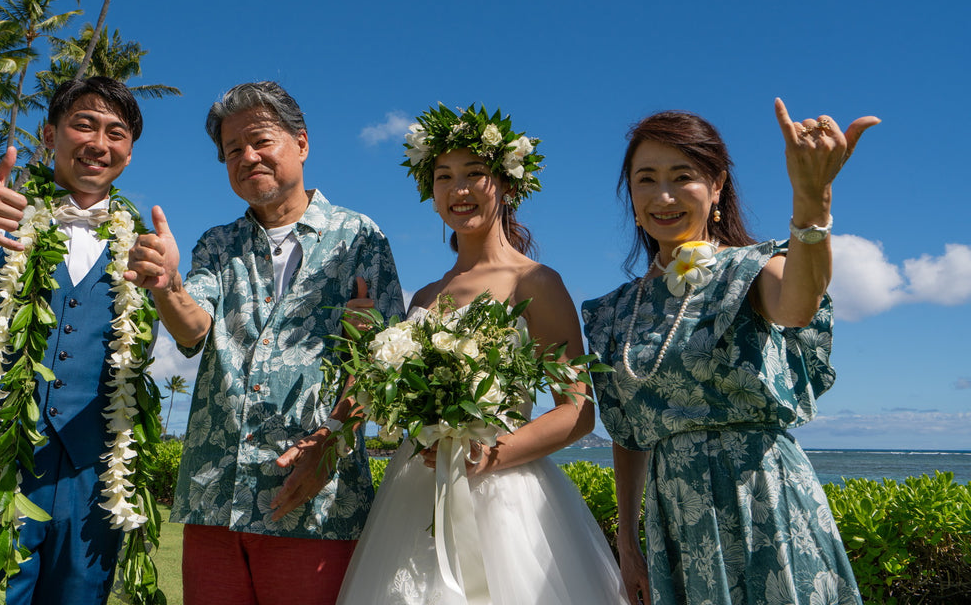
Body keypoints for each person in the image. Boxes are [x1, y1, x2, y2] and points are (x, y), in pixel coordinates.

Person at [582, 101, 878, 605]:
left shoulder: (752, 268)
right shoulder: (614, 312)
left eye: (683, 176)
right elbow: (629, 437)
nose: (665, 195)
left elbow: (799, 304)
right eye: (646, 179)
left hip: (762, 500)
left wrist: (813, 199)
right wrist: (628, 546)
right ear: (630, 194)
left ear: (716, 186)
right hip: (673, 516)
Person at [124, 81, 405, 605]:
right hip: (215, 500)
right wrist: (168, 286)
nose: (247, 157)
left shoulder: (360, 238)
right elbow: (193, 330)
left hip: (315, 504)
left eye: (261, 141)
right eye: (233, 151)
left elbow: (385, 368)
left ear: (301, 143)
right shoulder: (217, 243)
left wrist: (332, 440)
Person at [336, 105, 627, 605]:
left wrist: (489, 456)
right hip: (417, 486)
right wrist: (368, 344)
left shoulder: (535, 283)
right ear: (431, 195)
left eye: (475, 173)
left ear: (508, 185)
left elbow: (577, 412)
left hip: (506, 493)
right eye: (444, 177)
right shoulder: (424, 296)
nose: (459, 188)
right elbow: (397, 402)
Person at [0, 77, 157, 605]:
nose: (99, 142)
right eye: (83, 124)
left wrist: (170, 284)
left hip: (94, 480)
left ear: (129, 155)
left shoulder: (144, 248)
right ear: (50, 135)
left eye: (116, 133)